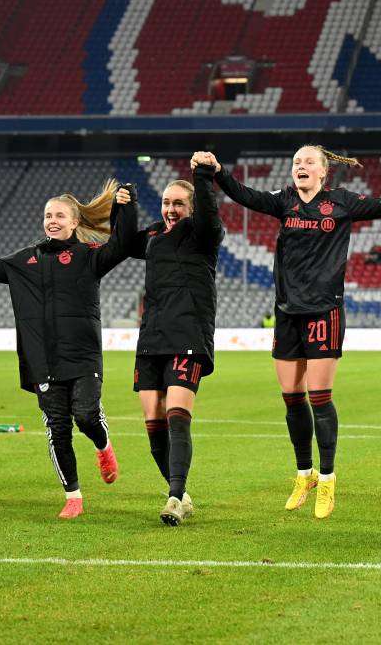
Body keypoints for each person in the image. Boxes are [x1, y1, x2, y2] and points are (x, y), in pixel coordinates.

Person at [212, 145, 381, 519]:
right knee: (292, 398)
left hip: (325, 310)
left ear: (324, 171)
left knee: (319, 397)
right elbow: (245, 195)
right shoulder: (284, 201)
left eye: (308, 162)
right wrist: (218, 172)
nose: (300, 167)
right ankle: (303, 474)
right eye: (296, 162)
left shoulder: (341, 202)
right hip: (287, 312)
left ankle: (327, 479)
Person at [0, 181, 136, 519]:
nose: (52, 220)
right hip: (42, 360)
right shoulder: (24, 260)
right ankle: (73, 496)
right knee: (58, 428)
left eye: (60, 215)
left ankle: (103, 446)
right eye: (48, 215)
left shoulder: (89, 257)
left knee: (87, 416)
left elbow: (121, 244)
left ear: (75, 222)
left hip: (83, 355)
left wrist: (125, 206)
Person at [127, 153, 223, 526]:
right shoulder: (154, 235)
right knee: (153, 423)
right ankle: (180, 492)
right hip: (152, 336)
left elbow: (210, 217)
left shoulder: (204, 234)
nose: (170, 209)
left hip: (188, 334)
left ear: (193, 208)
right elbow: (123, 244)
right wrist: (127, 207)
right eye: (166, 202)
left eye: (178, 203)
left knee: (177, 416)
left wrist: (201, 176)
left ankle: (172, 497)